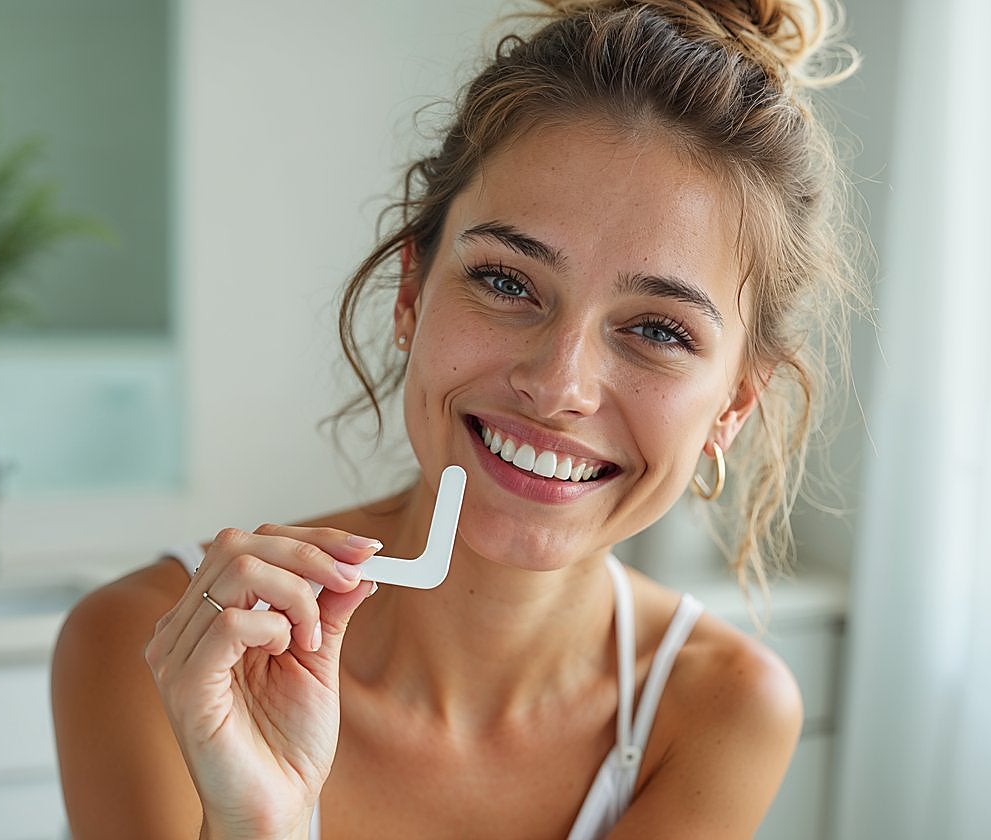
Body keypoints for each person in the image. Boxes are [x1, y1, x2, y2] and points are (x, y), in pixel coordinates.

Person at [52, 1, 864, 837]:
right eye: (508, 282)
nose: (557, 386)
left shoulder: (719, 712)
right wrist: (257, 820)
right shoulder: (154, 647)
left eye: (659, 330)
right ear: (412, 293)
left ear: (733, 405)